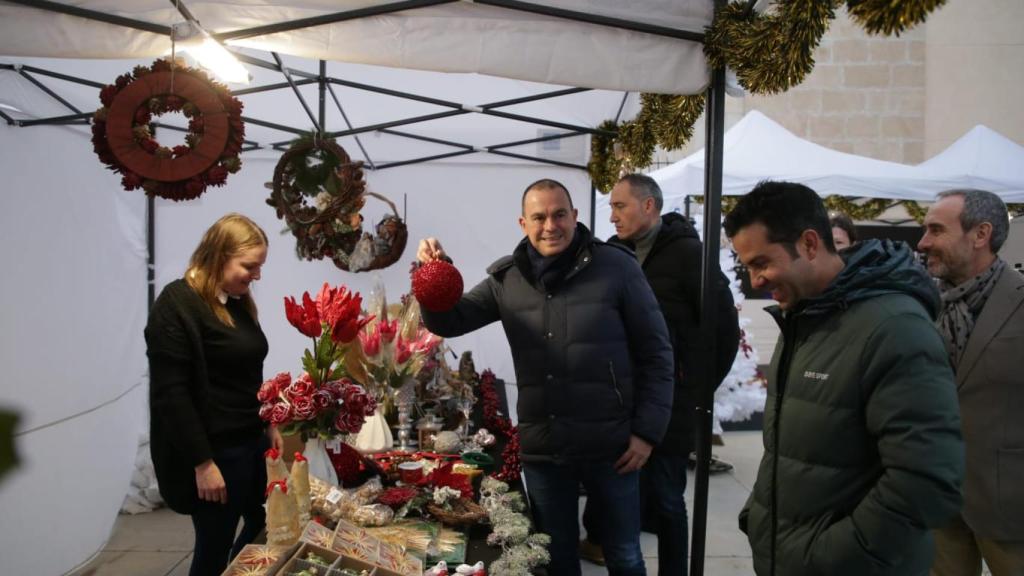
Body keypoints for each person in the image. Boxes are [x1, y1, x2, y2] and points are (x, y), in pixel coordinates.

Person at [417, 179, 674, 576]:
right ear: (523, 223)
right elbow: (450, 320)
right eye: (539, 217)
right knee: (556, 560)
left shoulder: (617, 268)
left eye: (559, 214)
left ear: (575, 216)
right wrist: (435, 276)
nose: (550, 225)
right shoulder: (507, 280)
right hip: (546, 451)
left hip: (613, 447)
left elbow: (657, 354)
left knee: (624, 556)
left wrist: (647, 433)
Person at [725, 181, 964, 576]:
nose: (756, 281)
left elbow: (927, 482)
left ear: (809, 244)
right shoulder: (804, 317)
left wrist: (830, 558)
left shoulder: (895, 329)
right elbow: (793, 453)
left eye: (761, 263)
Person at [578, 173, 740, 575]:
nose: (612, 216)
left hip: (670, 403)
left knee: (667, 498)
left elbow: (724, 330)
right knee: (618, 494)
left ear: (649, 206)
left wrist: (693, 390)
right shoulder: (613, 254)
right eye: (611, 207)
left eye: (620, 206)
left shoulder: (690, 255)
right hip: (620, 405)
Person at [146, 213, 282, 576]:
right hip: (215, 453)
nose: (256, 276)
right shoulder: (177, 305)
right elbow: (170, 395)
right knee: (214, 545)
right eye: (249, 266)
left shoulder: (236, 302)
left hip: (249, 443)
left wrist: (269, 423)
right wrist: (203, 464)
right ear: (219, 255)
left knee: (267, 523)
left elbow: (249, 374)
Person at [918, 189, 1024, 576]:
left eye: (935, 230)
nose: (923, 242)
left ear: (980, 234)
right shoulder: (920, 304)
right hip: (937, 498)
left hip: (1010, 506)